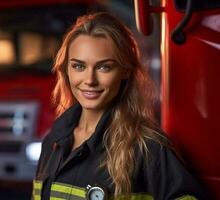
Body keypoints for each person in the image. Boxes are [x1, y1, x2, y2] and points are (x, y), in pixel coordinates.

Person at [32, 12, 206, 200]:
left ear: (125, 71)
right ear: (66, 70)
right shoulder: (53, 142)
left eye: (104, 67)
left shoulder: (147, 146)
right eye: (79, 66)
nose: (90, 80)